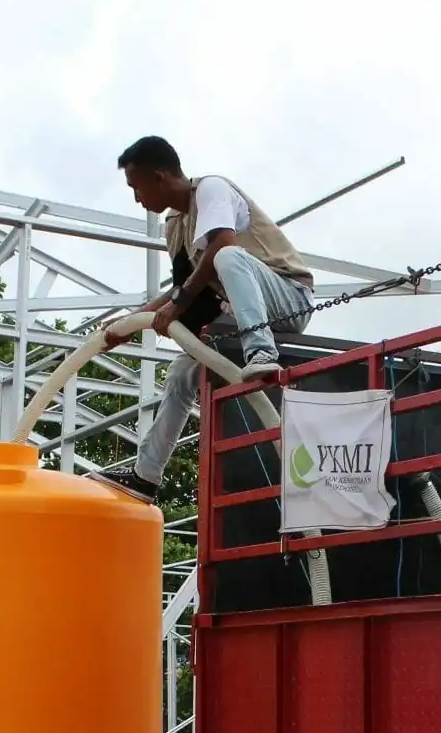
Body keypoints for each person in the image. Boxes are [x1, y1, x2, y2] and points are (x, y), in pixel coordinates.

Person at [99, 136, 317, 502]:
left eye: (136, 187)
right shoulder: (175, 225)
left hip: (287, 296)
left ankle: (262, 354)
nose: (137, 199)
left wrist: (177, 305)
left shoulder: (211, 190)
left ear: (160, 177)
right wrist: (132, 322)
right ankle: (145, 476)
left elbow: (220, 247)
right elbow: (186, 287)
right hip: (240, 313)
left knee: (228, 257)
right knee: (182, 374)